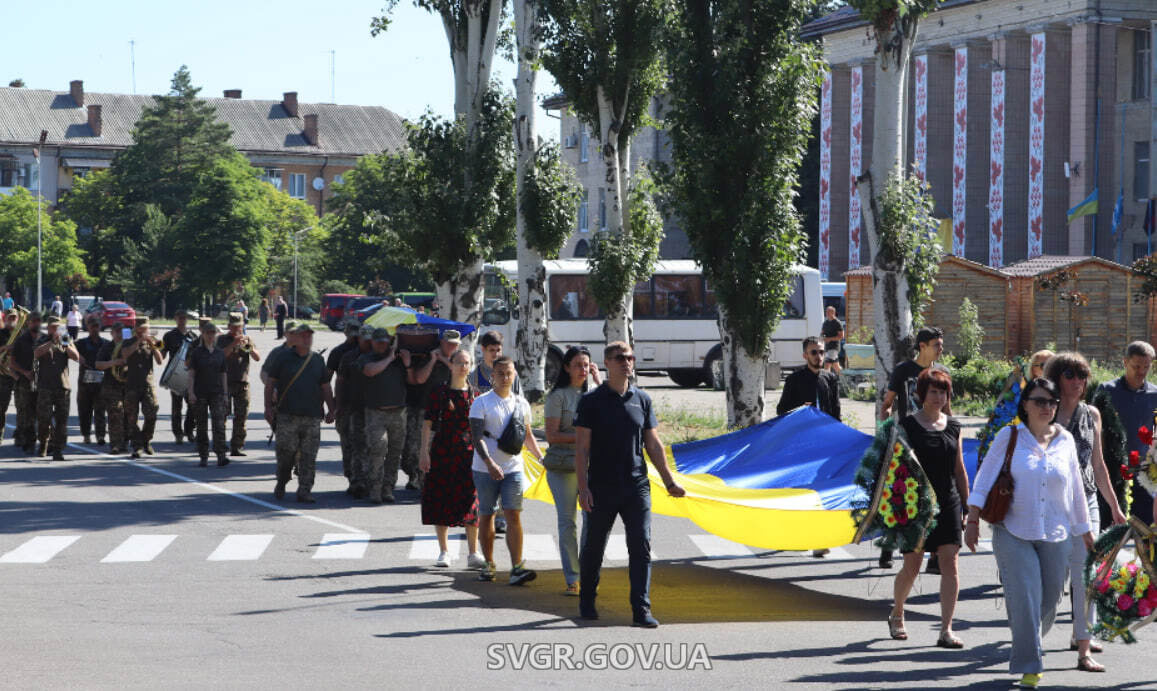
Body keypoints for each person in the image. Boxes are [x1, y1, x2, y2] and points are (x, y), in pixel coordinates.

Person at [966, 377, 1094, 690]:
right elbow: (983, 479)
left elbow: (1076, 490)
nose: (1046, 407)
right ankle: (1031, 665)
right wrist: (971, 520)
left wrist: (1086, 532)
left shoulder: (1064, 439)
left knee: (1049, 599)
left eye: (1051, 402)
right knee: (1024, 597)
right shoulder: (1009, 436)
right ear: (1025, 404)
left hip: (1057, 532)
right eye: (1039, 401)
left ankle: (1029, 639)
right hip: (1013, 530)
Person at [575, 341, 687, 627]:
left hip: (636, 484)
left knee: (641, 546)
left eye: (630, 357)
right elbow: (582, 448)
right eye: (620, 357)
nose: (627, 362)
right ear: (607, 363)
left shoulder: (642, 399)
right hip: (601, 484)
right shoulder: (591, 401)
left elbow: (653, 443)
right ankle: (587, 600)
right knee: (593, 547)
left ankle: (641, 609)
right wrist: (583, 487)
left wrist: (668, 480)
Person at [1045, 352, 1127, 672]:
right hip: (1052, 506)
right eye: (1070, 375)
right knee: (1053, 581)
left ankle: (1083, 644)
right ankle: (1032, 638)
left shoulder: (1091, 414)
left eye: (1082, 376)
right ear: (1056, 378)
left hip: (1088, 500)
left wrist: (1114, 506)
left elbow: (1098, 464)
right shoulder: (1045, 412)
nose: (1077, 382)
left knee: (1086, 573)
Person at [888, 369, 969, 647]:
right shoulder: (907, 425)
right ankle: (897, 613)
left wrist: (967, 506)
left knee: (950, 563)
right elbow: (895, 468)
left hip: (948, 502)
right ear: (921, 395)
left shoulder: (954, 426)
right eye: (933, 391)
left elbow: (959, 470)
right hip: (915, 504)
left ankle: (946, 629)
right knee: (912, 566)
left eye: (943, 391)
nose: (938, 397)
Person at [469, 356, 544, 585]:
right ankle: (489, 564)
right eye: (500, 373)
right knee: (487, 514)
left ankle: (517, 567)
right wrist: (490, 463)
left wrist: (541, 458)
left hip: (513, 467)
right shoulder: (481, 403)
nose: (504, 377)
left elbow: (527, 435)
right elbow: (476, 437)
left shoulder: (521, 403)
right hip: (484, 468)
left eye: (509, 373)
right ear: (492, 376)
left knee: (513, 514)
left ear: (514, 376)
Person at [877, 325, 945, 569]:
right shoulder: (904, 371)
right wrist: (884, 427)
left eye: (941, 344)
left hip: (934, 440)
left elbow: (947, 409)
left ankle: (935, 556)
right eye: (936, 344)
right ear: (922, 346)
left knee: (935, 496)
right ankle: (887, 545)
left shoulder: (941, 373)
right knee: (900, 495)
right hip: (906, 441)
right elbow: (888, 403)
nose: (941, 349)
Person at [420, 349, 485, 569]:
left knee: (471, 501)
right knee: (441, 499)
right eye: (459, 363)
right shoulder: (439, 392)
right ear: (451, 364)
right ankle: (444, 551)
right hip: (442, 451)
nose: (463, 367)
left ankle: (473, 553)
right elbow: (428, 423)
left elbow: (481, 429)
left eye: (467, 363)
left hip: (469, 454)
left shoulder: (476, 395)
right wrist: (423, 452)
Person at [543, 346, 600, 594]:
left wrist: (599, 382)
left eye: (586, 365)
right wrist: (583, 437)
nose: (583, 369)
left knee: (594, 521)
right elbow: (552, 435)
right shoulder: (558, 397)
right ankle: (573, 579)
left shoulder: (596, 395)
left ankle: (589, 574)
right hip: (563, 467)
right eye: (577, 364)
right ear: (566, 367)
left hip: (592, 467)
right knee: (568, 523)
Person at [264, 322, 335, 502]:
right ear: (295, 338)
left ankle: (305, 490)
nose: (307, 339)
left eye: (309, 335)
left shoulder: (317, 360)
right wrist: (267, 408)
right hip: (288, 415)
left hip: (312, 416)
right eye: (303, 335)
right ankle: (282, 479)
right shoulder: (282, 357)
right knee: (286, 453)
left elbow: (325, 386)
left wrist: (331, 409)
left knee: (309, 455)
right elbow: (270, 383)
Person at [1096, 341, 1157, 526]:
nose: (1141, 372)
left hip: (1144, 473)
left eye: (1146, 367)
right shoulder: (1106, 391)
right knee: (1109, 531)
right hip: (1112, 472)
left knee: (1145, 532)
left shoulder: (1155, 394)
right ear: (1125, 362)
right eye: (1136, 366)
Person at [406, 329, 462, 494]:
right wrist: (432, 360)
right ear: (441, 343)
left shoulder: (459, 361)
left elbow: (460, 375)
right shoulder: (428, 357)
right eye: (448, 344)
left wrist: (444, 360)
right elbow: (419, 379)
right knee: (418, 449)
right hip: (425, 410)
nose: (451, 347)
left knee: (444, 451)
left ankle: (432, 485)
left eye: (454, 345)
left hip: (448, 414)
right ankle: (418, 478)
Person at [361, 328, 412, 503]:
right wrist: (389, 358)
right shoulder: (367, 358)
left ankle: (388, 488)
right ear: (373, 342)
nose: (382, 345)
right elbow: (370, 371)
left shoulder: (399, 360)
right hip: (376, 413)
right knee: (378, 449)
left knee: (394, 453)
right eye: (378, 342)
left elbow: (413, 380)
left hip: (398, 412)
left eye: (385, 342)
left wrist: (406, 363)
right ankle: (375, 489)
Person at [33, 316, 79, 460]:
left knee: (61, 421)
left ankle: (58, 449)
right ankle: (44, 444)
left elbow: (76, 357)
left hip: (62, 386)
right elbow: (36, 353)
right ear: (48, 328)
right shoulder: (42, 340)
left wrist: (66, 346)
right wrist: (51, 342)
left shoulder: (66, 340)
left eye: (57, 327)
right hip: (45, 386)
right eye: (53, 327)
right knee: (43, 419)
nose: (55, 329)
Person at [337, 325, 374, 497]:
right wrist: (339, 406)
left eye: (370, 339)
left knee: (371, 447)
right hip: (353, 407)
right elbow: (341, 381)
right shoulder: (349, 357)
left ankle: (368, 480)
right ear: (358, 339)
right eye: (364, 339)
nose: (367, 343)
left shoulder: (378, 355)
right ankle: (355, 480)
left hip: (373, 408)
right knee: (354, 445)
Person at [187, 320, 229, 467]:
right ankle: (203, 455)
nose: (211, 336)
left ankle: (221, 455)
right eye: (208, 333)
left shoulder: (219, 353)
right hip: (200, 393)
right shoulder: (197, 353)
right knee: (202, 426)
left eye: (213, 333)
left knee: (219, 425)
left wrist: (225, 394)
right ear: (203, 335)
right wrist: (191, 392)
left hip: (217, 392)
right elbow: (191, 374)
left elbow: (223, 374)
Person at [327, 321, 363, 493]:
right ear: (346, 333)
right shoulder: (339, 352)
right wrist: (333, 406)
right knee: (348, 444)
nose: (354, 337)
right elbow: (327, 379)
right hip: (345, 404)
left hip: (362, 404)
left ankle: (361, 479)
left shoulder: (368, 349)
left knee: (362, 444)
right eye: (352, 333)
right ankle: (352, 478)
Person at [219, 313, 261, 456]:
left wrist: (248, 347)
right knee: (222, 416)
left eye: (239, 326)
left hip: (242, 383)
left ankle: (237, 446)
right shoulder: (222, 339)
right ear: (229, 326)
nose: (236, 329)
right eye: (234, 326)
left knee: (241, 416)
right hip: (225, 383)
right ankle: (221, 445)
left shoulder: (247, 339)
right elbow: (221, 356)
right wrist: (233, 344)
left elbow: (257, 357)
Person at [123, 317, 164, 459]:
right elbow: (125, 355)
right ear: (136, 328)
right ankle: (136, 446)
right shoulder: (128, 340)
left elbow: (160, 361)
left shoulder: (155, 340)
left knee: (152, 413)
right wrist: (139, 341)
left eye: (145, 329)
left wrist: (152, 345)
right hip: (132, 384)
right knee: (131, 418)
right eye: (140, 329)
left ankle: (146, 440)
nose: (143, 331)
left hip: (147, 384)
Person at [777, 336, 841, 419]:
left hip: (824, 428)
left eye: (821, 352)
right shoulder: (793, 380)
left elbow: (836, 410)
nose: (819, 356)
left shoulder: (831, 378)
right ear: (805, 355)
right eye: (814, 352)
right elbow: (781, 410)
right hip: (802, 428)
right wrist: (800, 409)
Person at [95, 321, 132, 454]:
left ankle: (125, 442)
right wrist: (114, 362)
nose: (119, 334)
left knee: (128, 415)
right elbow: (98, 364)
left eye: (121, 331)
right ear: (111, 333)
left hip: (128, 385)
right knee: (115, 414)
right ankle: (115, 444)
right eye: (116, 332)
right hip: (111, 385)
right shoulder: (107, 347)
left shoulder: (129, 345)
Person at [163, 310, 198, 444]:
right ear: (175, 318)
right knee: (176, 407)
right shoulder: (169, 336)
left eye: (184, 318)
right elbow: (163, 352)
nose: (182, 320)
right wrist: (156, 346)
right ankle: (178, 434)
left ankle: (189, 431)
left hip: (190, 375)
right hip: (175, 375)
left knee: (192, 405)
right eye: (180, 318)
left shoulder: (193, 336)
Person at [10, 310, 41, 454]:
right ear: (28, 323)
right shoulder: (21, 340)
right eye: (33, 321)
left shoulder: (44, 338)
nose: (36, 323)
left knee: (43, 413)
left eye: (38, 321)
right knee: (27, 413)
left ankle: (45, 442)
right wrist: (24, 373)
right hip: (25, 382)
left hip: (42, 382)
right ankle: (29, 441)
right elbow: (12, 363)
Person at [76, 315, 109, 445]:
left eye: (96, 326)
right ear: (88, 327)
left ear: (99, 327)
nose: (94, 329)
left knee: (100, 410)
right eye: (92, 326)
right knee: (85, 410)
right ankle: (86, 435)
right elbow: (69, 349)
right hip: (85, 382)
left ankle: (100, 435)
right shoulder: (82, 343)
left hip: (101, 381)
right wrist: (78, 357)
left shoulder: (105, 343)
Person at [469, 330, 522, 395]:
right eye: (492, 350)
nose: (496, 354)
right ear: (483, 349)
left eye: (498, 350)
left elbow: (519, 400)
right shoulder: (474, 376)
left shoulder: (511, 374)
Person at [820, 305, 844, 376]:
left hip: (834, 347)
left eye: (828, 312)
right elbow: (822, 333)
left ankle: (827, 382)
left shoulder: (837, 323)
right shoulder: (825, 323)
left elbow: (841, 336)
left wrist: (829, 339)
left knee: (827, 365)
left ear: (833, 312)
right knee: (836, 367)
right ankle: (845, 381)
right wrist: (822, 338)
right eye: (826, 311)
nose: (826, 313)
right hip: (826, 347)